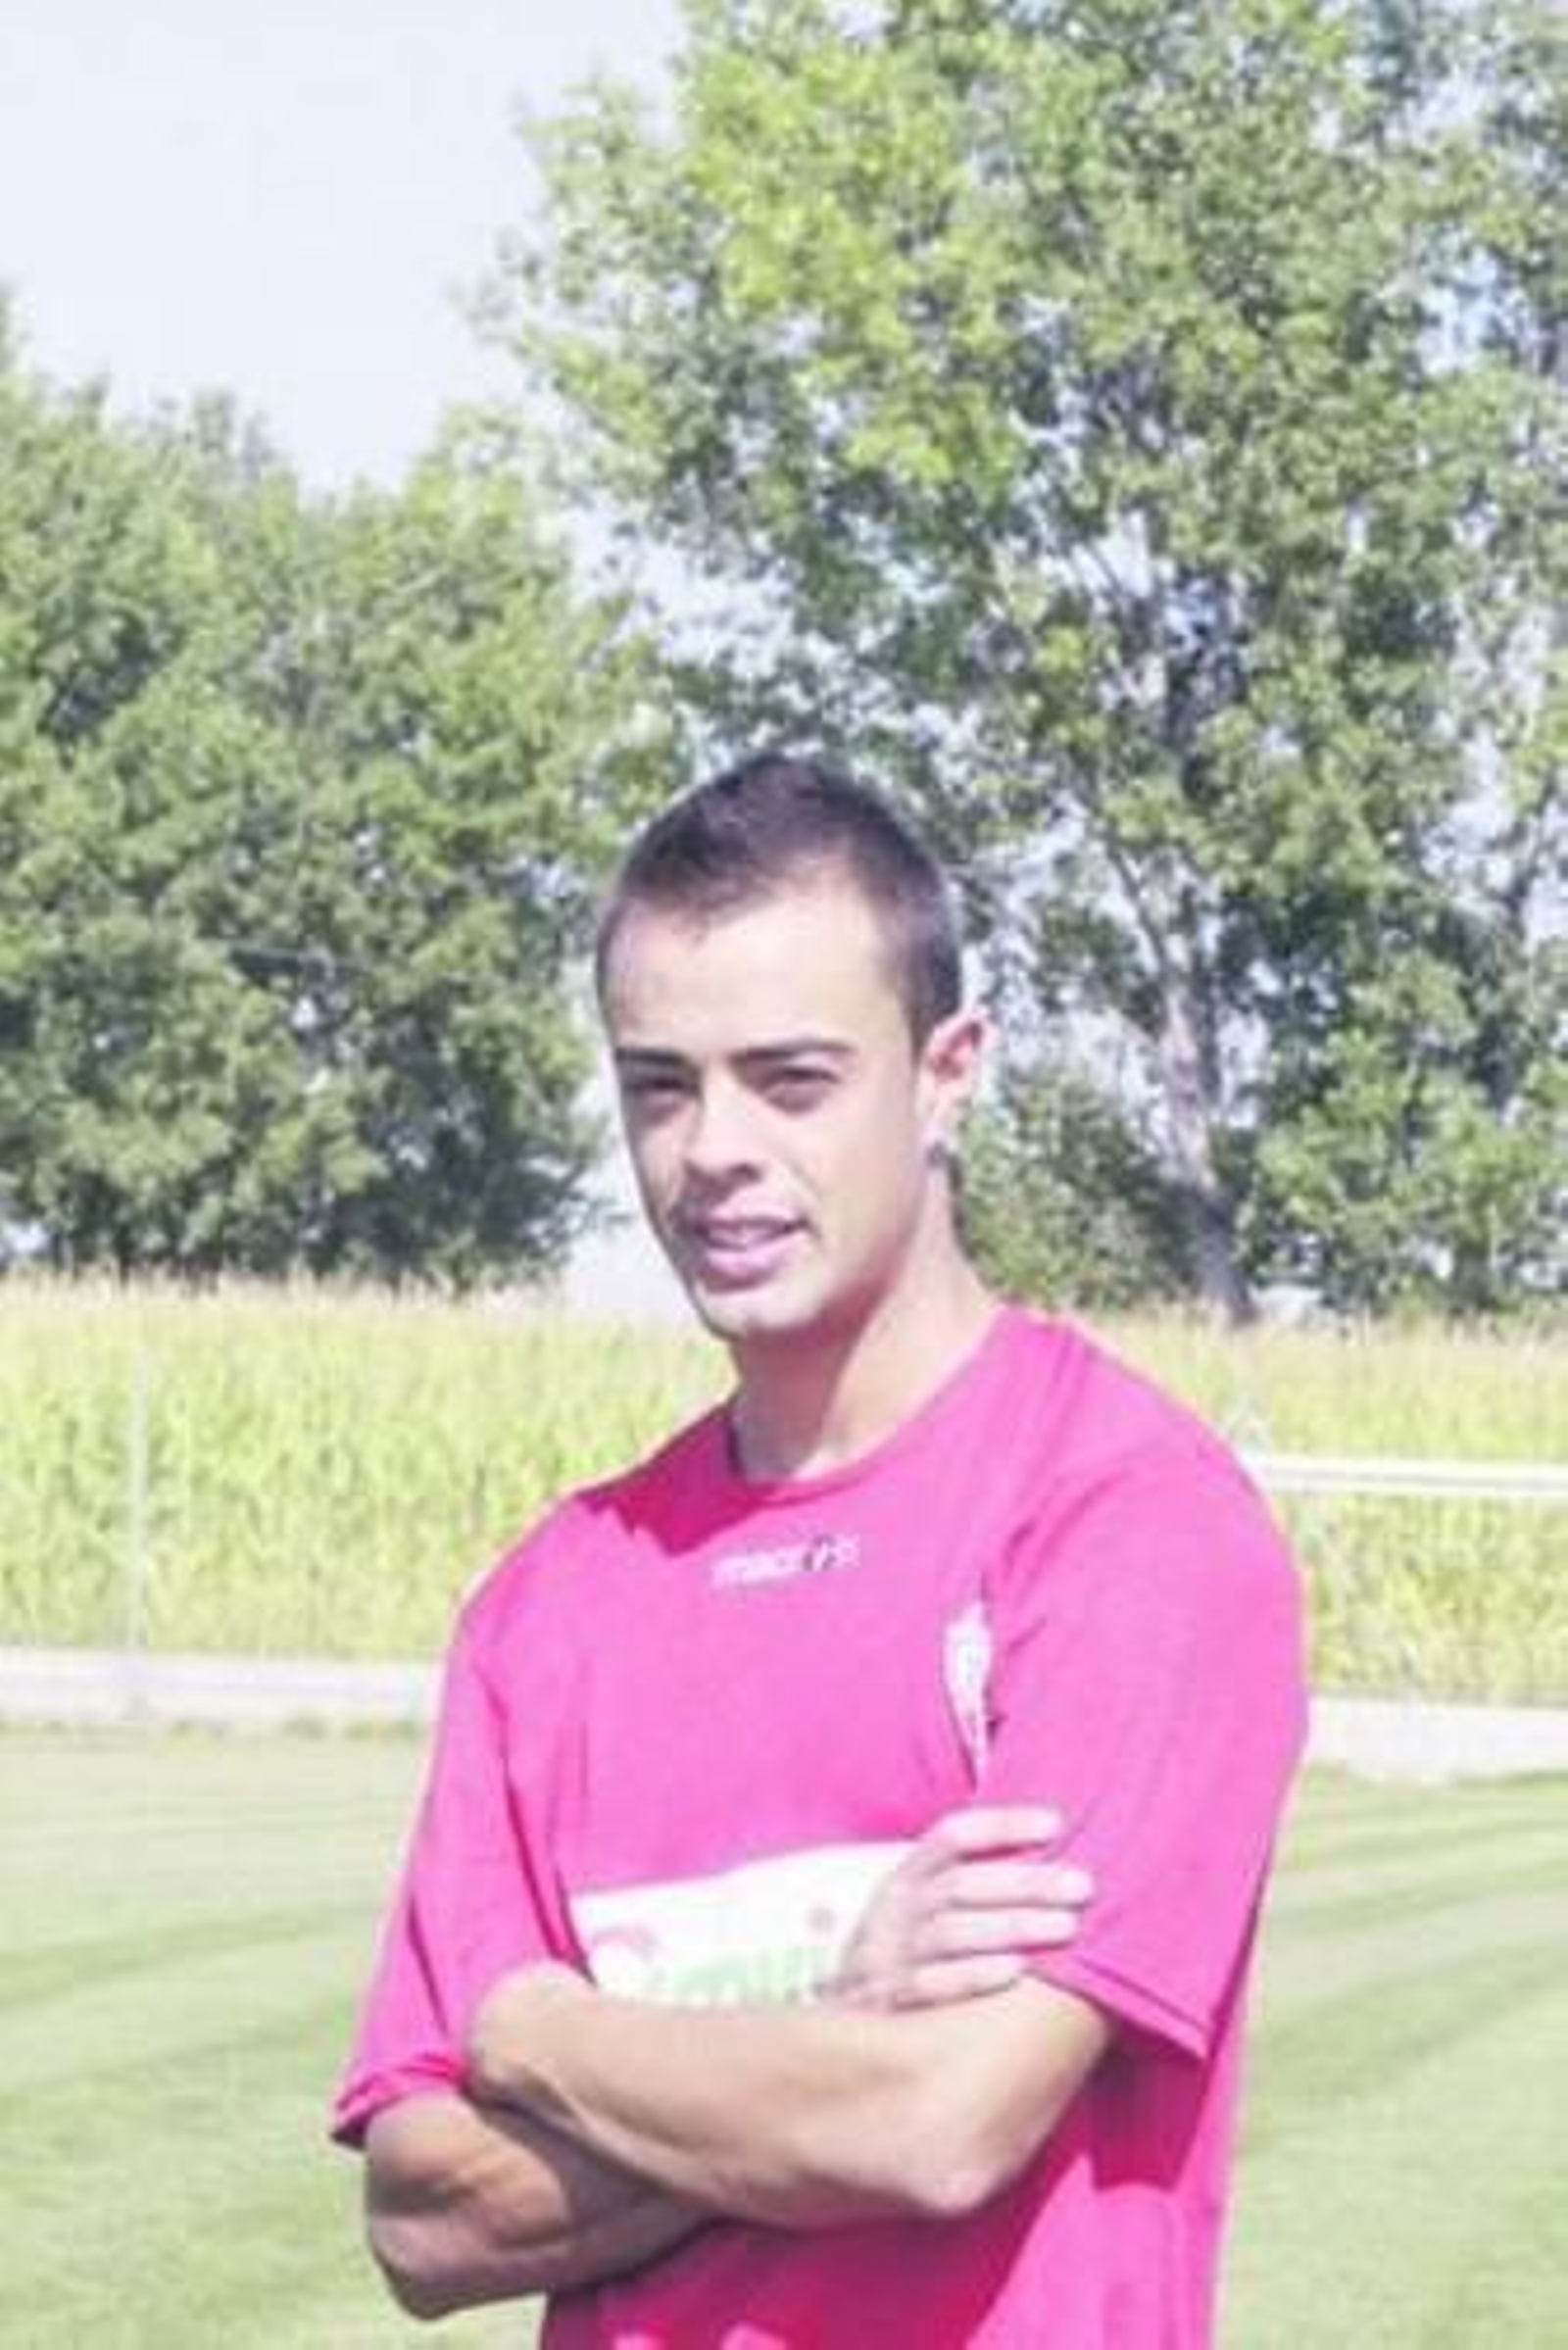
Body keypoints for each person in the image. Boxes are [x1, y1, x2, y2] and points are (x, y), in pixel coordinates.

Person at [333, 751, 1307, 2346]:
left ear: (946, 1071)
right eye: (661, 1084)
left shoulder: (1130, 1526)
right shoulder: (547, 1605)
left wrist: (545, 2030)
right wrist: (832, 2026)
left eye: (790, 1079)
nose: (714, 1145)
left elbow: (935, 2123)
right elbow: (426, 2216)